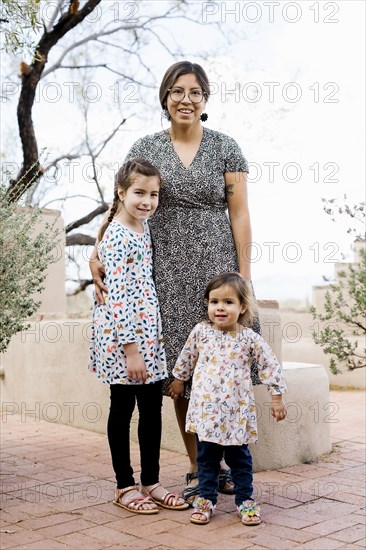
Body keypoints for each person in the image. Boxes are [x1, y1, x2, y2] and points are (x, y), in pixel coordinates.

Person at [90, 60, 261, 503]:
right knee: (181, 371)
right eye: (177, 91)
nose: (186, 99)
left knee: (222, 363)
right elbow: (121, 201)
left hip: (215, 268)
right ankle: (195, 465)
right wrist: (95, 251)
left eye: (195, 92)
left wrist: (244, 277)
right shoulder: (145, 146)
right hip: (160, 273)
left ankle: (228, 460)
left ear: (205, 99)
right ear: (165, 97)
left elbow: (240, 214)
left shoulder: (227, 148)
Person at [88, 158, 188, 514]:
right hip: (123, 337)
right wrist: (131, 350)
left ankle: (152, 481)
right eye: (139, 193)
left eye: (153, 194)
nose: (147, 201)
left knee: (151, 409)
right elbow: (117, 296)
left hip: (149, 334)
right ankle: (124, 485)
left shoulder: (142, 227)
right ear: (121, 193)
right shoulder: (117, 235)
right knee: (122, 407)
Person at [169, 272, 287, 525]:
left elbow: (270, 366)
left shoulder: (249, 338)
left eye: (228, 302)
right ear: (208, 304)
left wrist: (276, 397)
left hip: (236, 415)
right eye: (214, 302)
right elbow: (187, 357)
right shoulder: (201, 332)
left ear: (242, 306)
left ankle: (245, 500)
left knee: (240, 461)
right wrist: (179, 379)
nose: (220, 308)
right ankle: (206, 500)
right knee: (207, 460)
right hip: (206, 414)